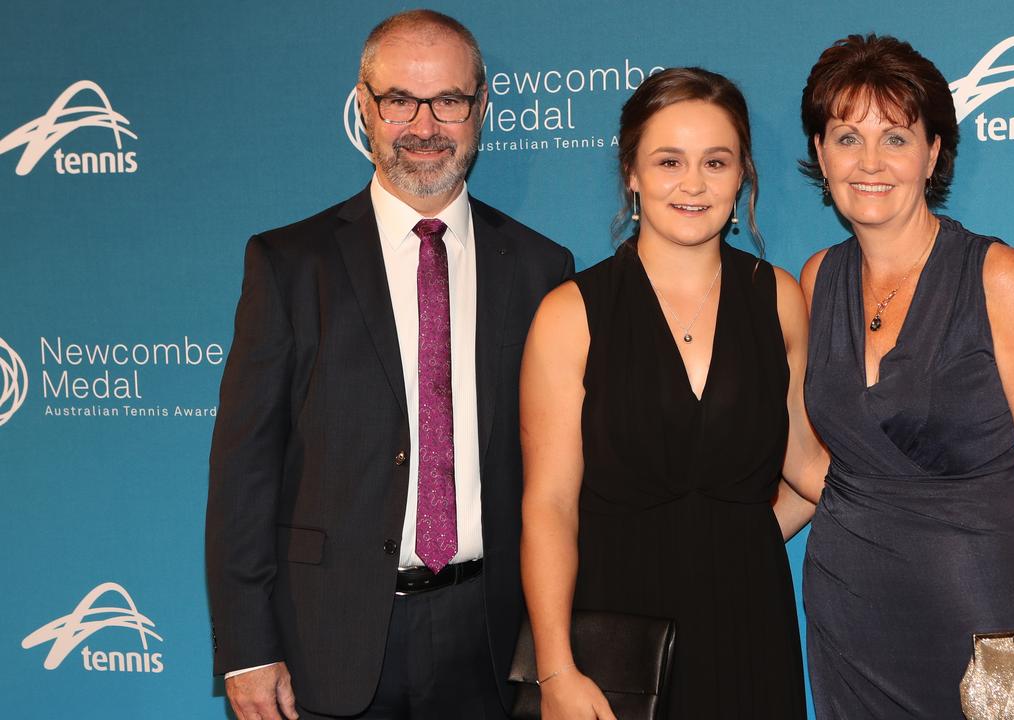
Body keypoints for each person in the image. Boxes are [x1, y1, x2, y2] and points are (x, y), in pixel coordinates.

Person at [205, 10, 573, 720]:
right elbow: (244, 469)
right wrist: (248, 648)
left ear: (482, 106)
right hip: (326, 639)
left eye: (449, 101)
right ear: (366, 108)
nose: (425, 125)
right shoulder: (289, 264)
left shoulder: (541, 268)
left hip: (490, 643)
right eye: (400, 99)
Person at [798, 34, 1014, 719]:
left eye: (896, 139)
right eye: (848, 138)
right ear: (821, 154)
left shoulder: (998, 276)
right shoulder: (818, 280)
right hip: (849, 613)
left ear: (933, 152)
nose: (870, 162)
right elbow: (827, 468)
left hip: (984, 613)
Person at [520, 67, 827, 720]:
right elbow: (549, 505)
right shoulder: (570, 314)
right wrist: (555, 671)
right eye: (669, 161)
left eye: (715, 162)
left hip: (751, 629)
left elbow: (807, 468)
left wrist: (937, 501)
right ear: (631, 172)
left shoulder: (778, 299)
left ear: (742, 173)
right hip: (617, 645)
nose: (693, 184)